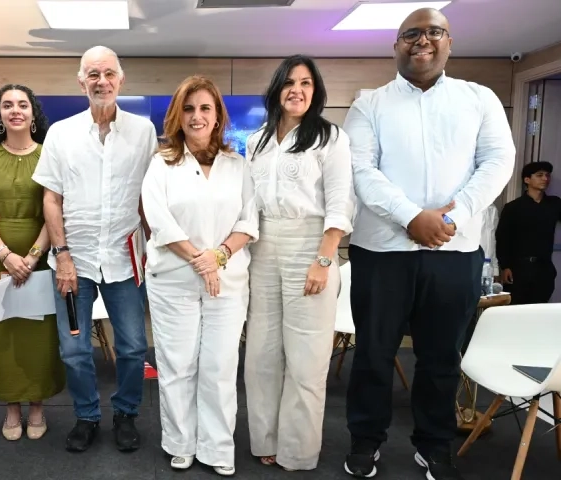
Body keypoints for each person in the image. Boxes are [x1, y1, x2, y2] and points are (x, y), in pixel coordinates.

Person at [342, 8, 515, 480]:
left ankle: (433, 444)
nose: (423, 41)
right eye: (411, 34)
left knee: (440, 357)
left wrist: (450, 216)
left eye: (434, 32)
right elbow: (361, 170)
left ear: (449, 42)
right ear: (396, 45)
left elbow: (498, 161)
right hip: (382, 252)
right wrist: (411, 217)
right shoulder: (369, 104)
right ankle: (365, 440)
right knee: (375, 353)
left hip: (454, 253)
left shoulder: (479, 99)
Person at [31, 45, 158, 453]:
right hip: (75, 261)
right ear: (81, 81)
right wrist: (62, 255)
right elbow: (51, 199)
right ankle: (86, 416)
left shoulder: (143, 131)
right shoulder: (61, 133)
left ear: (120, 79)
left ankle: (125, 413)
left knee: (134, 346)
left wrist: (156, 247)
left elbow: (148, 196)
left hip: (125, 260)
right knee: (74, 349)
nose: (100, 81)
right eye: (92, 74)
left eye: (108, 74)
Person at [141, 75, 258, 476]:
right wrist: (200, 260)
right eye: (189, 108)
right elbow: (159, 219)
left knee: (220, 366)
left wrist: (220, 256)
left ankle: (217, 448)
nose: (197, 116)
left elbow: (249, 219)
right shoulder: (162, 164)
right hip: (173, 280)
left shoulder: (236, 164)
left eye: (205, 108)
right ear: (178, 115)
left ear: (218, 115)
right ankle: (180, 443)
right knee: (177, 365)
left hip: (227, 283)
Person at [243, 55, 355, 472]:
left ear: (316, 91)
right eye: (289, 82)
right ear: (276, 89)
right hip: (262, 246)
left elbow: (341, 201)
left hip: (312, 245)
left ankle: (298, 450)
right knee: (261, 355)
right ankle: (265, 439)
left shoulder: (331, 137)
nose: (297, 90)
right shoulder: (257, 140)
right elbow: (247, 203)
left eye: (306, 83)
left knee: (306, 359)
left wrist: (324, 259)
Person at [0, 83, 65, 441]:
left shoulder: (49, 154)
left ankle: (37, 407)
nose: (15, 110)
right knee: (2, 335)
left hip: (40, 256)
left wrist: (34, 255)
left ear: (33, 113)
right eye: (7, 105)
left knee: (38, 334)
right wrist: (5, 255)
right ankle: (11, 409)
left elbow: (55, 209)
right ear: (0, 114)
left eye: (22, 104)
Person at [496, 161, 560, 304]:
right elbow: (502, 238)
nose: (545, 178)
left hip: (544, 269)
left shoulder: (554, 204)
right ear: (527, 180)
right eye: (539, 175)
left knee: (539, 310)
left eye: (547, 175)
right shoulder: (513, 207)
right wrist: (505, 266)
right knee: (516, 309)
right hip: (519, 269)